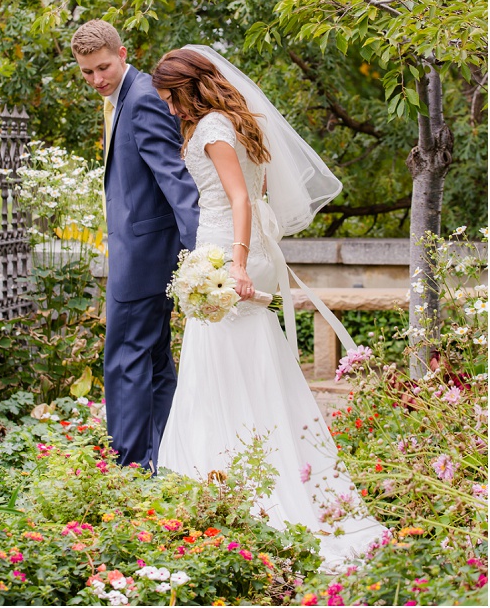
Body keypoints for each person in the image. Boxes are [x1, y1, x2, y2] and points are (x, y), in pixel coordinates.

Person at [152, 46, 386, 570]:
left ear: (186, 89)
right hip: (236, 247)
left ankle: (229, 478)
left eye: (170, 99)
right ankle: (249, 463)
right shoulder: (234, 120)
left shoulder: (212, 128)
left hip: (227, 251)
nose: (169, 110)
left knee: (215, 365)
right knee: (245, 360)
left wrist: (234, 264)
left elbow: (238, 198)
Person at [70, 20, 199, 470]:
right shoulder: (122, 97)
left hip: (144, 259)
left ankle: (126, 470)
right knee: (155, 362)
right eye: (86, 73)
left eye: (103, 67)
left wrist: (201, 251)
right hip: (143, 252)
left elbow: (175, 180)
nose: (96, 80)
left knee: (124, 361)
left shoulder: (142, 99)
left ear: (122, 54)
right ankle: (163, 457)